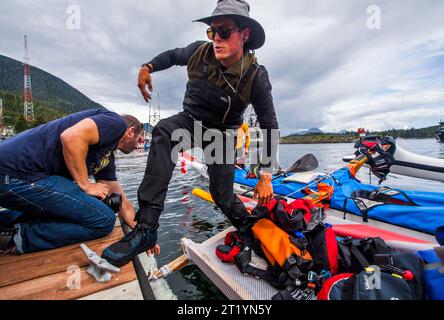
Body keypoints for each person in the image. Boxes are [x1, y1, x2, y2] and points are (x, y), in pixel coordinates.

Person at [102, 0, 279, 267]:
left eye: (224, 32)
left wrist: (265, 175)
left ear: (244, 34)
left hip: (222, 134)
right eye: (212, 32)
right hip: (191, 121)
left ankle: (251, 231)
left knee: (222, 195)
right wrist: (147, 67)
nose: (216, 39)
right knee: (163, 131)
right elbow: (173, 56)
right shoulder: (199, 52)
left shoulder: (255, 76)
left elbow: (268, 122)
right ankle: (147, 228)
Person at [0, 108, 148, 255]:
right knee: (103, 219)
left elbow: (120, 198)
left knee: (83, 208)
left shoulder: (105, 156)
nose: (138, 145)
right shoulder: (116, 123)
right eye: (140, 139)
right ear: (130, 131)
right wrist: (86, 184)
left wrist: (144, 235)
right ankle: (14, 238)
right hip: (14, 172)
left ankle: (4, 223)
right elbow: (71, 136)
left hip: (23, 176)